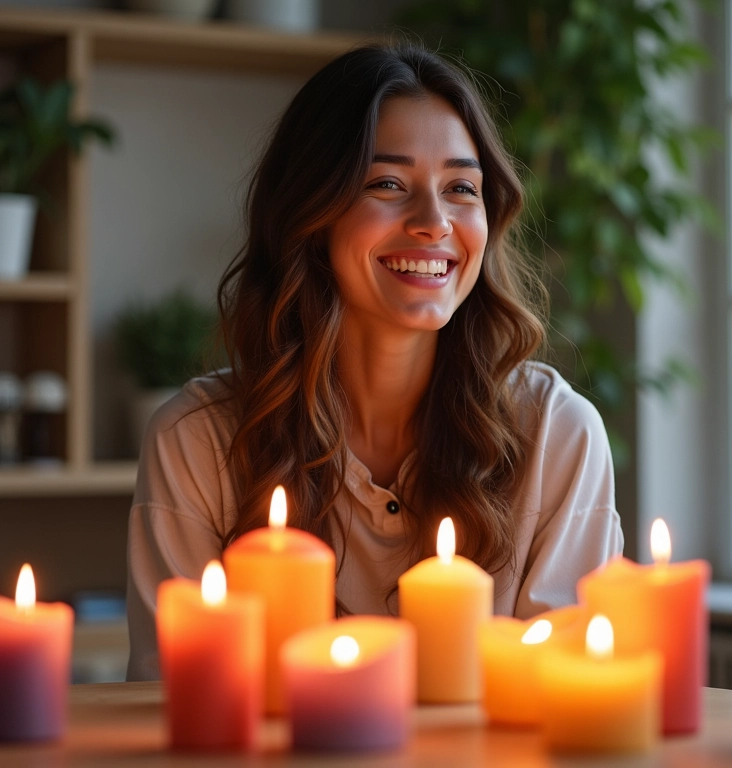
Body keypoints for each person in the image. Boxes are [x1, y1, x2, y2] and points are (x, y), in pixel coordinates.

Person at [126, 42, 623, 681]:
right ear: (310, 214)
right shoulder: (196, 441)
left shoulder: (557, 434)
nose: (434, 222)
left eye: (461, 188)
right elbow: (179, 702)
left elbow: (563, 700)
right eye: (387, 183)